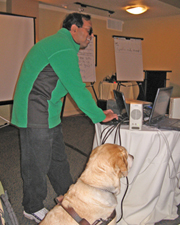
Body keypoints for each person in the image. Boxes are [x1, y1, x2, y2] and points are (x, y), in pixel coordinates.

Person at [11, 12, 118, 223]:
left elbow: (64, 87)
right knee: (36, 163)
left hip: (48, 111)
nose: (90, 36)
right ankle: (31, 207)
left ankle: (68, 197)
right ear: (74, 29)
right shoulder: (62, 46)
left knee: (58, 158)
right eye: (89, 30)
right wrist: (98, 115)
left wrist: (98, 112)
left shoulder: (64, 46)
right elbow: (77, 89)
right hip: (34, 111)